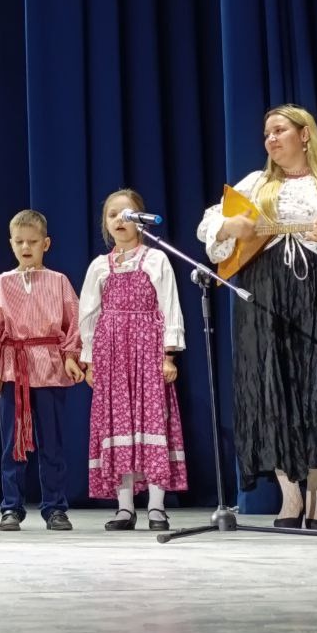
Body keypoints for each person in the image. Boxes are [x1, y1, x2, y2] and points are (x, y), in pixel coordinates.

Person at [197, 104, 317, 529]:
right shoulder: (257, 183)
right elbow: (209, 223)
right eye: (267, 133)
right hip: (264, 291)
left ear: (304, 134)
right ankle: (290, 496)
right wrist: (229, 227)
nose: (271, 139)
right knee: (272, 383)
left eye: (279, 130)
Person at [79, 188, 188, 532]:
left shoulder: (156, 259)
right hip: (112, 353)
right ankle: (124, 507)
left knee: (151, 422)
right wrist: (89, 361)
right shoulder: (99, 266)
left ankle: (156, 506)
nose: (119, 220)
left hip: (146, 350)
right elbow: (88, 316)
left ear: (140, 220)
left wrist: (168, 354)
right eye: (112, 214)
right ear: (105, 223)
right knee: (117, 425)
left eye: (127, 214)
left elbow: (169, 305)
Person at [0, 209, 84, 532]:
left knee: (52, 443)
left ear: (46, 244)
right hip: (14, 369)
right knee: (13, 443)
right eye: (20, 242)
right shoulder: (1, 283)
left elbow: (74, 322)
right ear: (11, 243)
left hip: (49, 366)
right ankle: (11, 506)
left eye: (33, 242)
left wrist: (71, 356)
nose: (26, 247)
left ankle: (55, 507)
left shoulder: (59, 281)